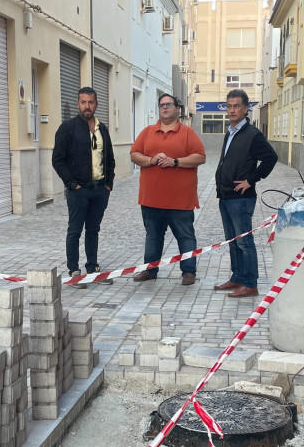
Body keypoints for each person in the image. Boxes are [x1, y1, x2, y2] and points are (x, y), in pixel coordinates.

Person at [130, 94, 206, 285]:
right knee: (153, 237)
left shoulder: (188, 133)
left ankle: (189, 272)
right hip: (151, 199)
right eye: (162, 105)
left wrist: (175, 162)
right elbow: (134, 154)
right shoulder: (147, 132)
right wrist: (151, 160)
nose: (165, 108)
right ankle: (150, 270)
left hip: (181, 200)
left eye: (169, 105)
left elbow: (200, 157)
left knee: (185, 236)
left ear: (177, 109)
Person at [214, 89, 278, 298]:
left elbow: (270, 158)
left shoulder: (253, 135)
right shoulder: (230, 131)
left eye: (236, 106)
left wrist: (251, 179)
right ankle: (237, 278)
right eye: (229, 106)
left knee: (244, 241)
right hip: (226, 196)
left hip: (241, 199)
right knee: (232, 240)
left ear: (245, 108)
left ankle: (250, 283)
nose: (232, 110)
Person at [52, 87, 116, 288]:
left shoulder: (102, 128)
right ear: (78, 103)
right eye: (83, 102)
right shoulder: (67, 128)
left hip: (99, 189)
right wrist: (73, 184)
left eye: (91, 102)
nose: (87, 106)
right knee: (75, 230)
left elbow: (110, 159)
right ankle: (74, 271)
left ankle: (93, 268)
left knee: (93, 230)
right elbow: (58, 160)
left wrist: (108, 185)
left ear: (96, 104)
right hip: (79, 191)